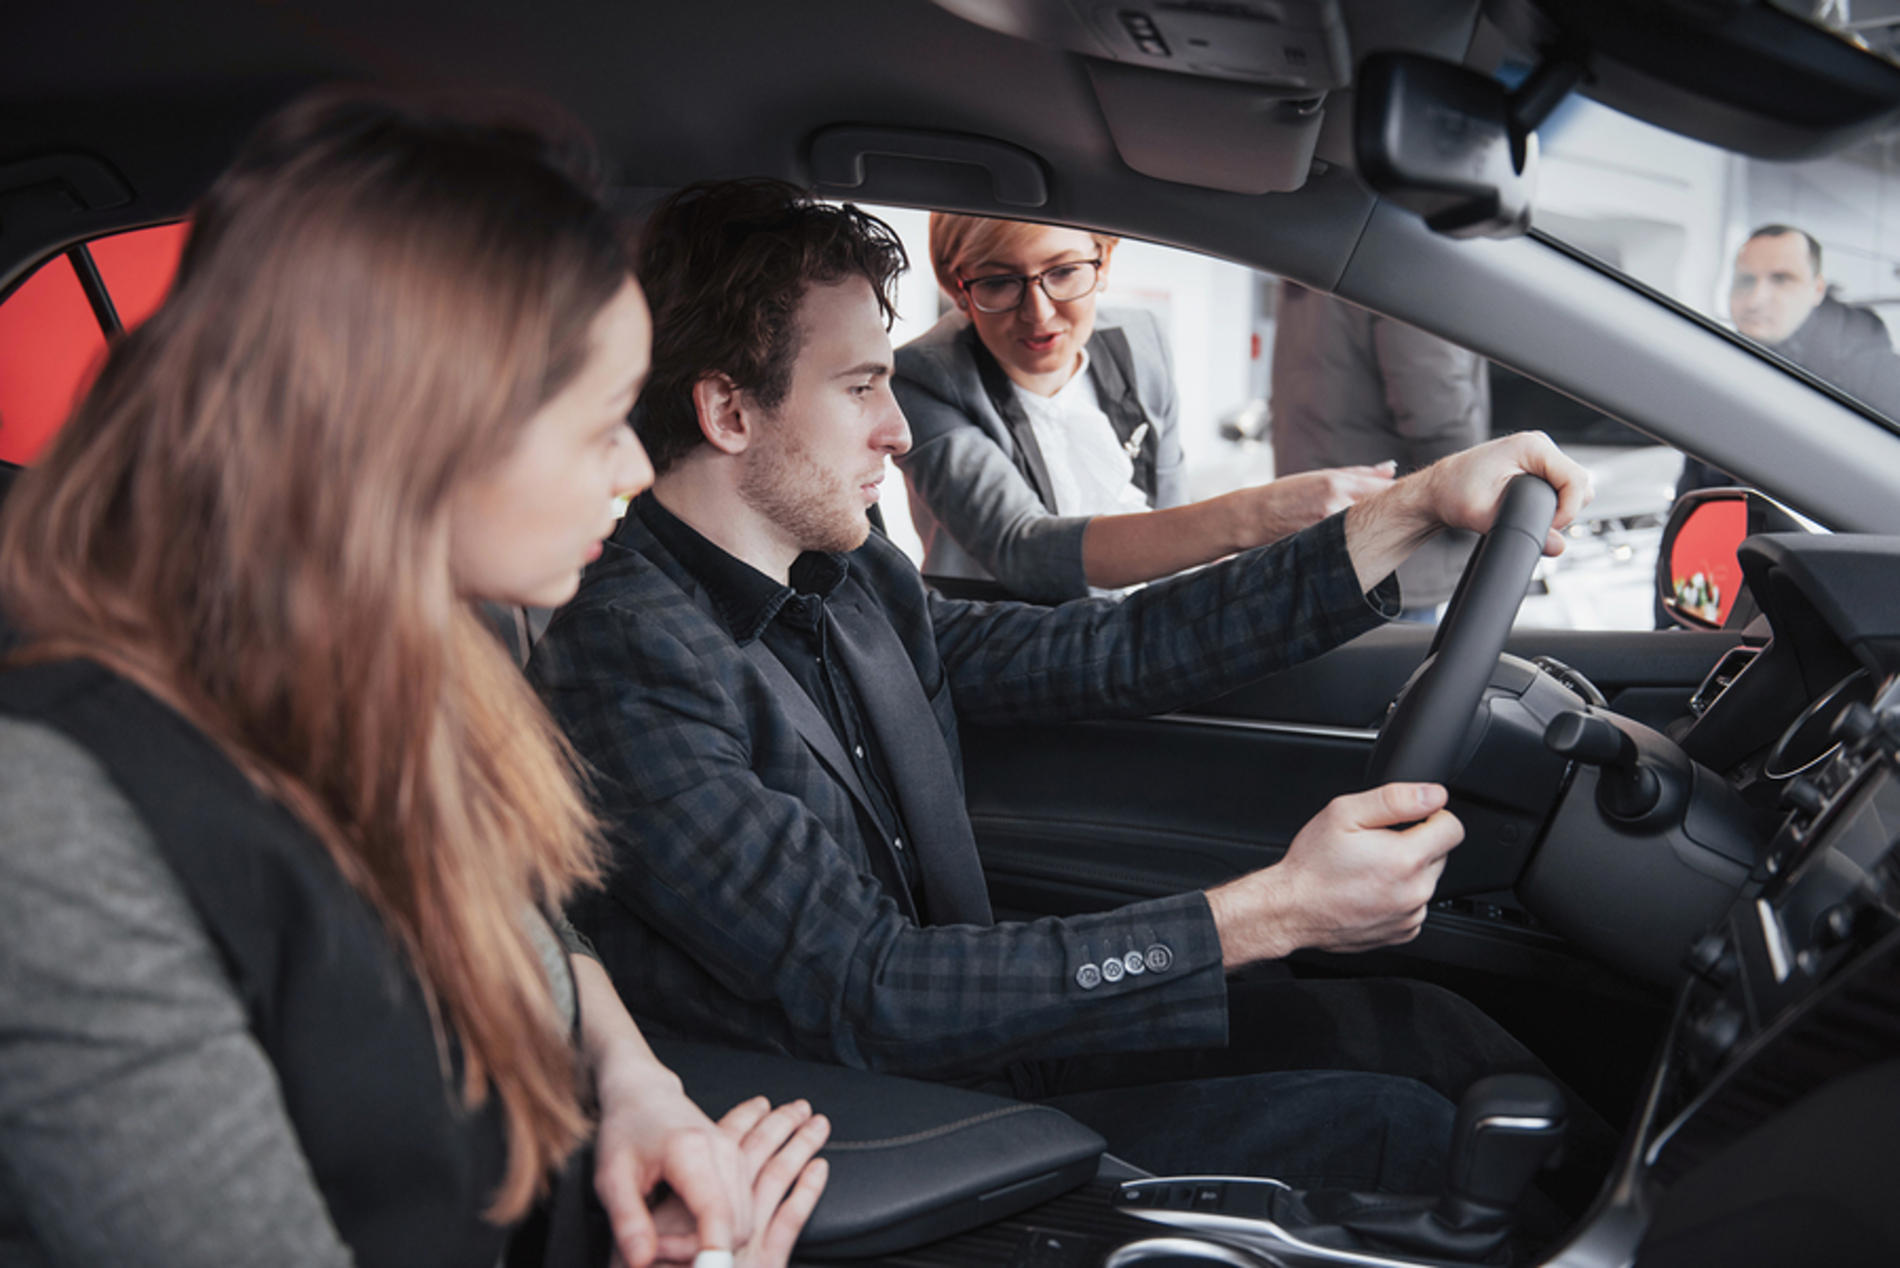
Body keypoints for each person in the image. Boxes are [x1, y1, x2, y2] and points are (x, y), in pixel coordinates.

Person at [529, 178, 1600, 1196]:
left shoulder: (848, 576)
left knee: (1429, 1031)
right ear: (727, 409)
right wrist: (1272, 910)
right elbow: (868, 982)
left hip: (993, 1044)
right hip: (892, 1121)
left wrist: (1407, 509)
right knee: (1417, 1131)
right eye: (860, 386)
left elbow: (1103, 648)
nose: (896, 428)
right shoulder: (625, 657)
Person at [0, 94, 828, 1268]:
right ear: (411, 440)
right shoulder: (56, 822)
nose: (638, 467)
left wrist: (636, 1084)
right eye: (600, 423)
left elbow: (517, 921)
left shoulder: (428, 657)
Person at [893, 213, 1394, 602]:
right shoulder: (923, 378)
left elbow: (1170, 518)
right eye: (1000, 282)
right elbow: (1022, 548)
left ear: (1104, 260)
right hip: (1004, 644)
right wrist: (1261, 512)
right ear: (957, 288)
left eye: (1064, 272)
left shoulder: (1141, 340)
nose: (1039, 312)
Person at [1270, 281, 1490, 620]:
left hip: (1326, 543)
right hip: (1397, 554)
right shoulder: (1405, 262)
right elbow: (1435, 406)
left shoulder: (1320, 266)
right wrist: (1477, 499)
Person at [1682, 223, 1900, 494]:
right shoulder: (1726, 369)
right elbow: (1694, 487)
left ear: (1817, 289)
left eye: (1781, 279)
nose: (1756, 299)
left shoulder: (1868, 372)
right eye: (1746, 280)